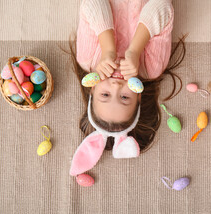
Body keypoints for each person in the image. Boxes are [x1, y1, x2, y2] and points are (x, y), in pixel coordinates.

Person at [68, 0, 185, 177]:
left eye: (105, 94)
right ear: (138, 97)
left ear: (93, 89)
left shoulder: (88, 59)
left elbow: (92, 3)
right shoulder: (151, 67)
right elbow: (162, 7)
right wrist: (135, 51)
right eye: (124, 98)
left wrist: (107, 48)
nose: (116, 86)